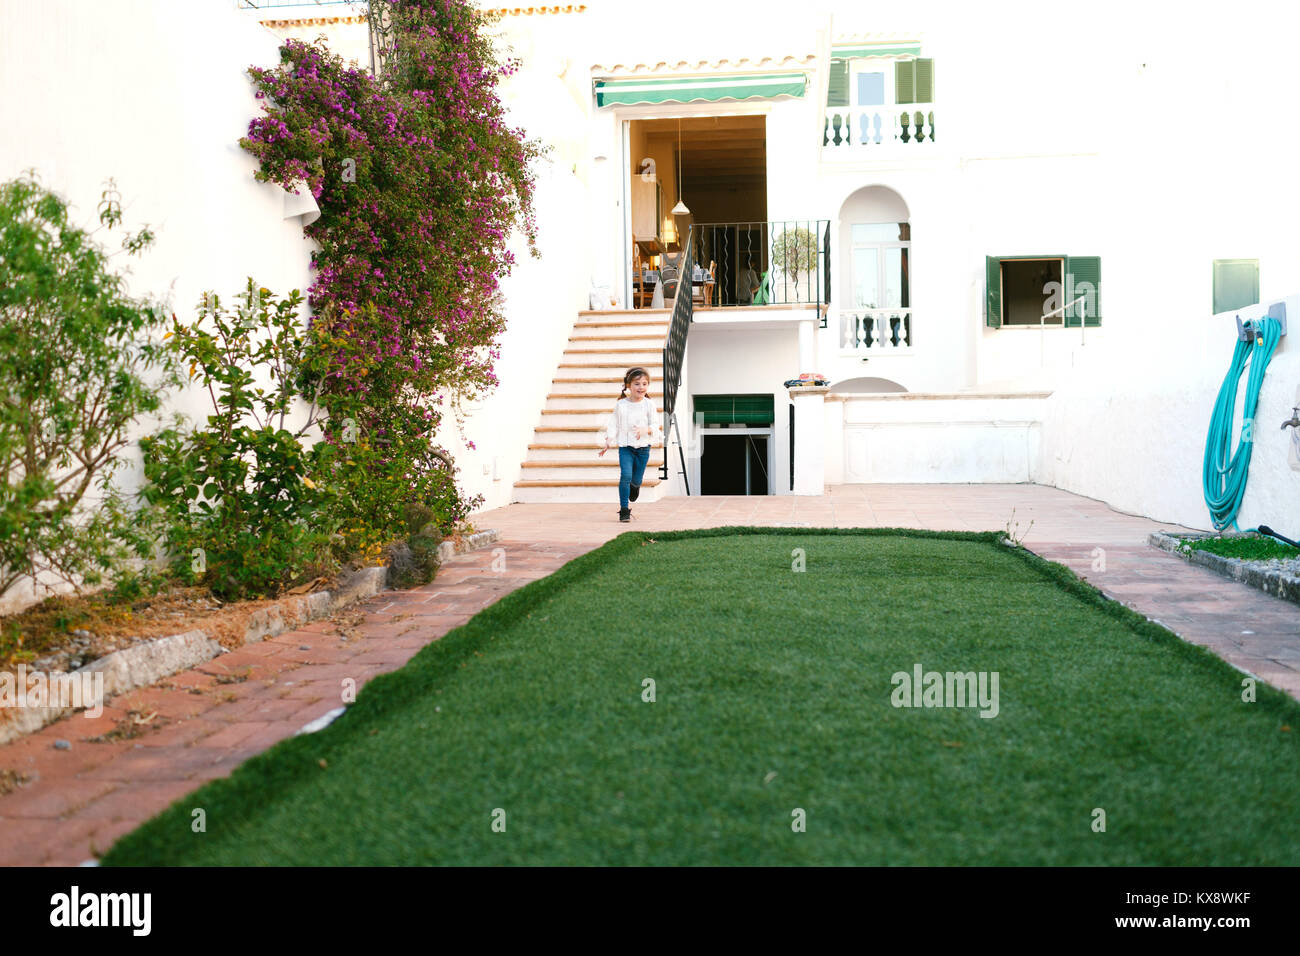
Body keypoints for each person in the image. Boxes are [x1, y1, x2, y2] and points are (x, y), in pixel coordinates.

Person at [599, 367, 662, 522]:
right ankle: (624, 510)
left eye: (644, 384)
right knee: (625, 476)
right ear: (628, 385)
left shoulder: (649, 405)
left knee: (636, 480)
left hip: (643, 449)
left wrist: (644, 429)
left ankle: (635, 485)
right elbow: (614, 424)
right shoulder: (621, 405)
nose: (641, 387)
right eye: (637, 384)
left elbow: (655, 425)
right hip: (626, 447)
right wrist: (608, 440)